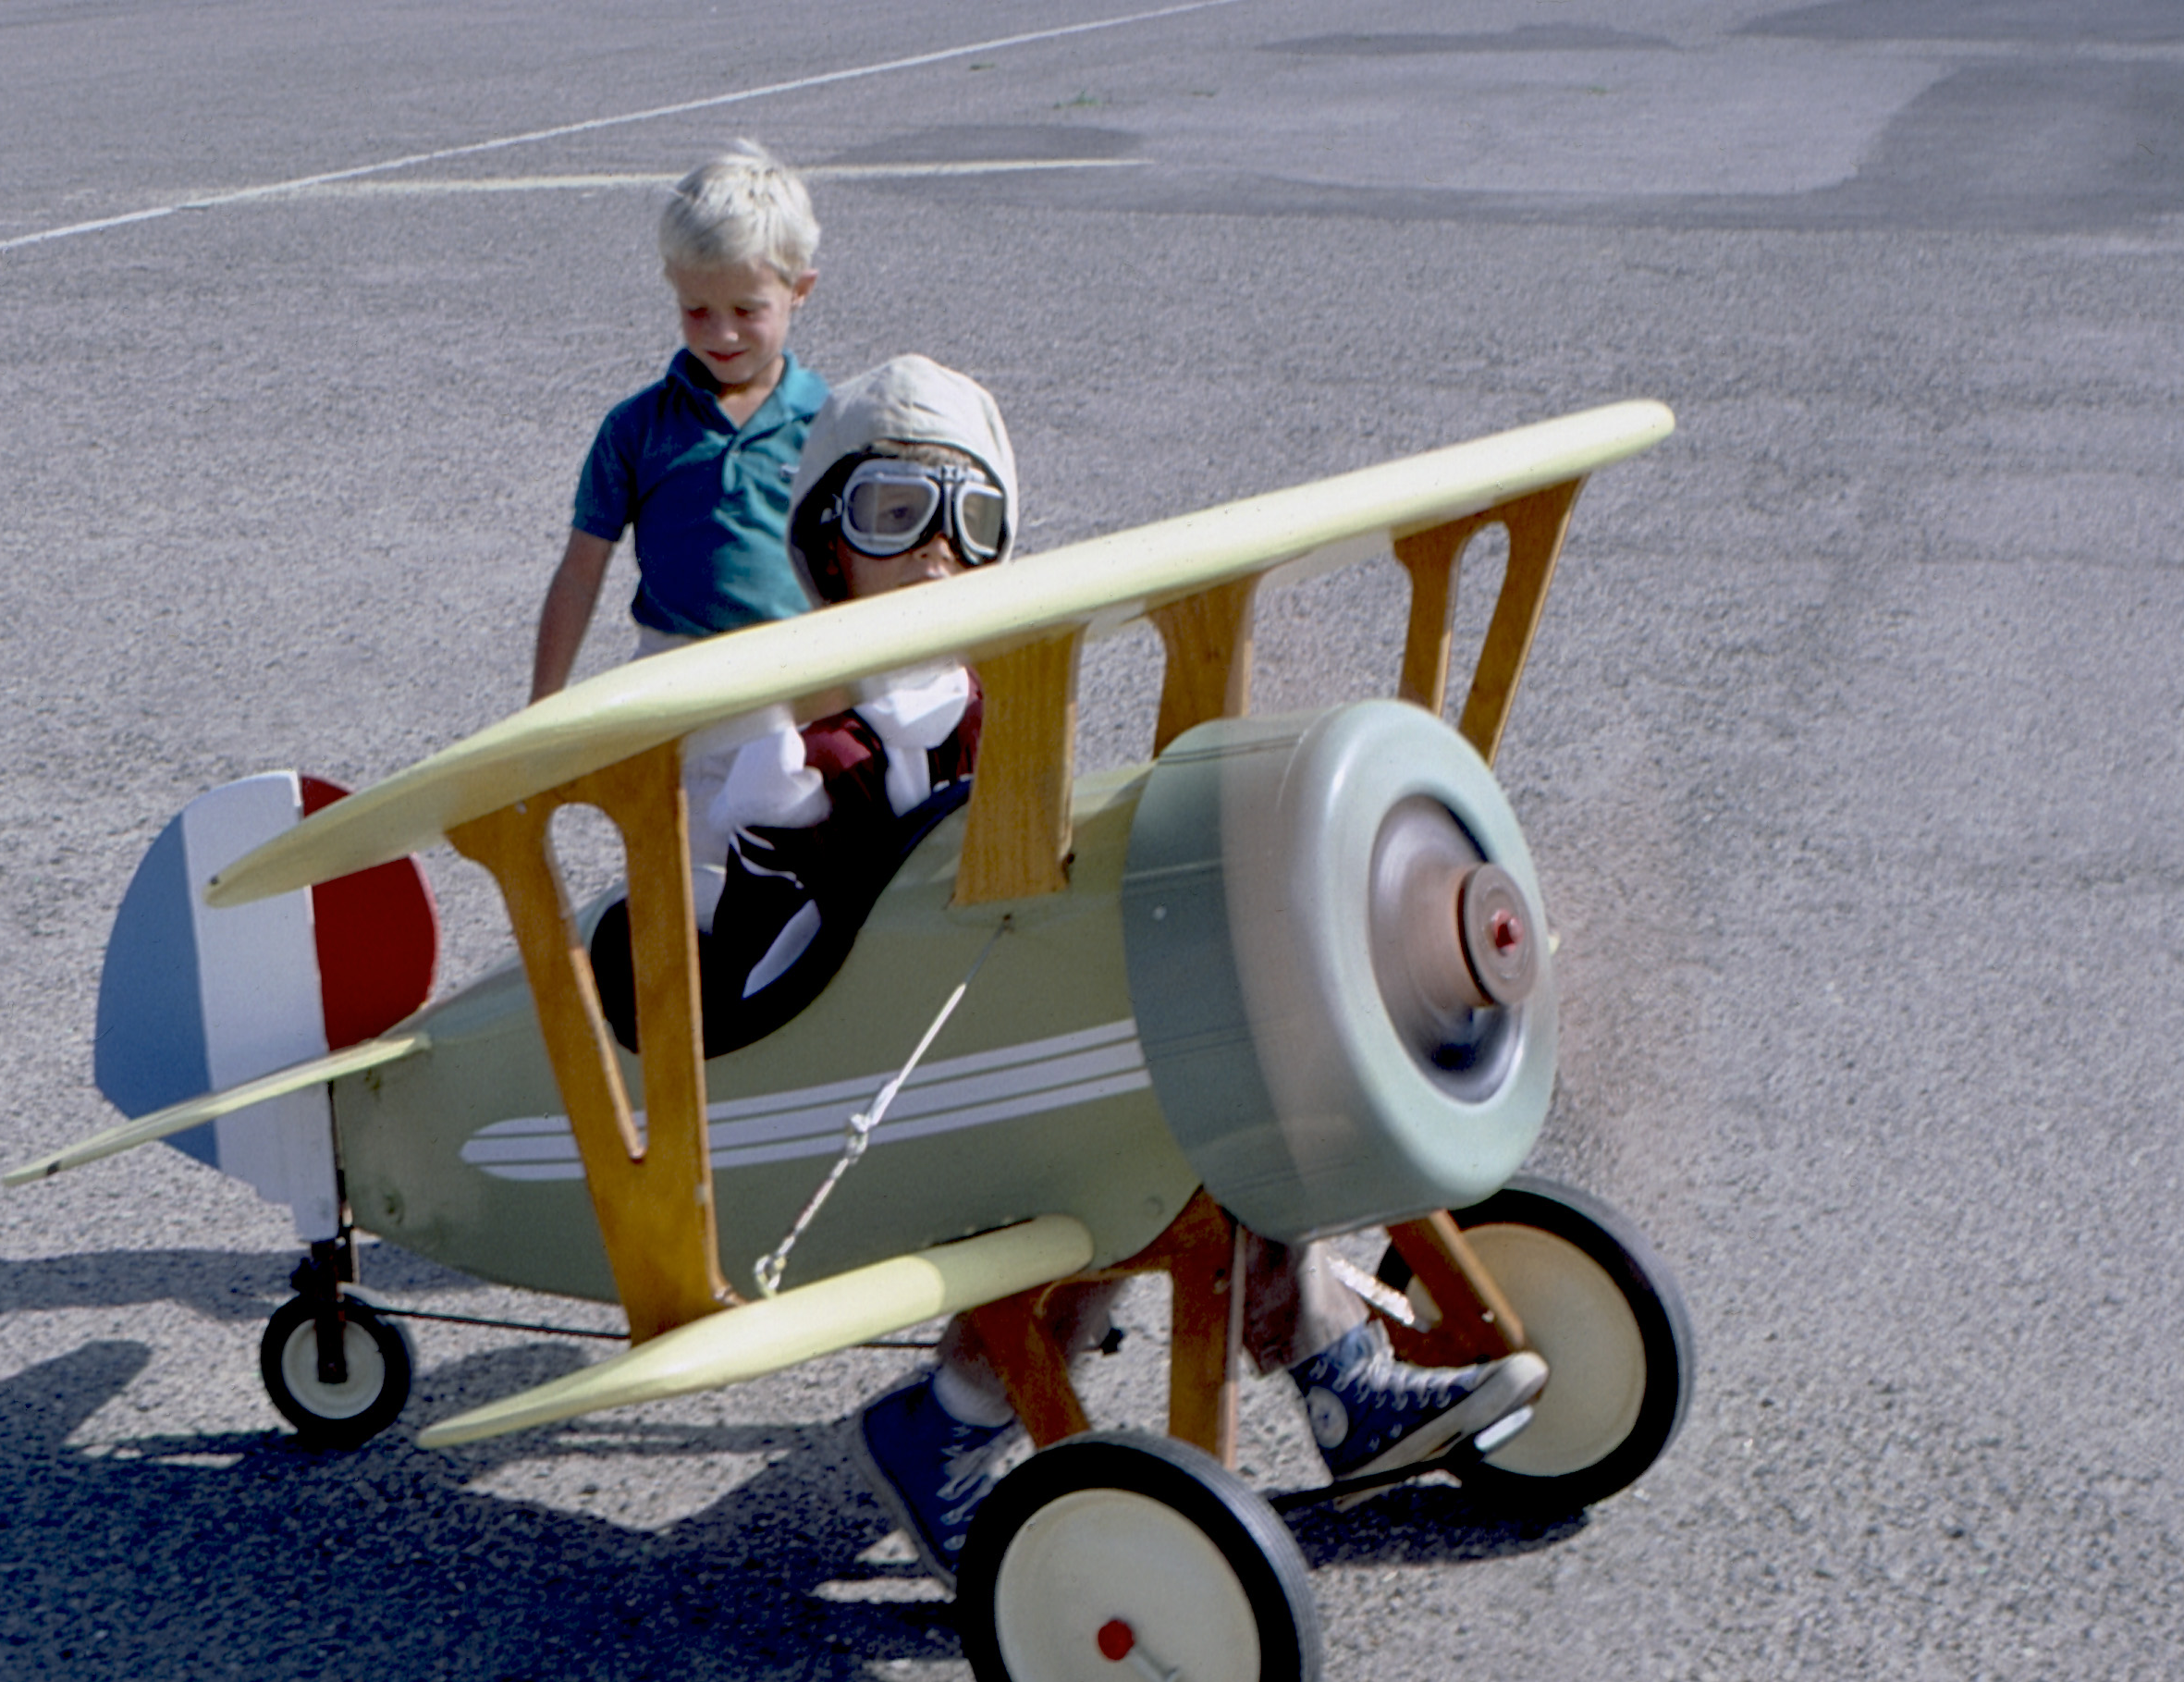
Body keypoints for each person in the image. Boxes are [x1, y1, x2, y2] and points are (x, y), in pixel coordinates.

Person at [792, 366, 1552, 1589]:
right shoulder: (811, 734)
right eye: (894, 513)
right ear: (827, 543)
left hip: (981, 1012)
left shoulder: (974, 693)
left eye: (972, 521)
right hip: (870, 1069)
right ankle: (951, 1426)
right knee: (1130, 1162)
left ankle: (1328, 1374)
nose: (935, 551)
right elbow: (800, 929)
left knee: (1224, 1089)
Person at [527, 140, 832, 928]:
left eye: (747, 310)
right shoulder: (636, 428)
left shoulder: (831, 421)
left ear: (799, 290)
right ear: (672, 286)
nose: (721, 333)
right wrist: (542, 711)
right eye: (697, 310)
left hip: (798, 679)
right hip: (676, 684)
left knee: (807, 872)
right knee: (688, 885)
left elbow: (867, 563)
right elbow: (580, 571)